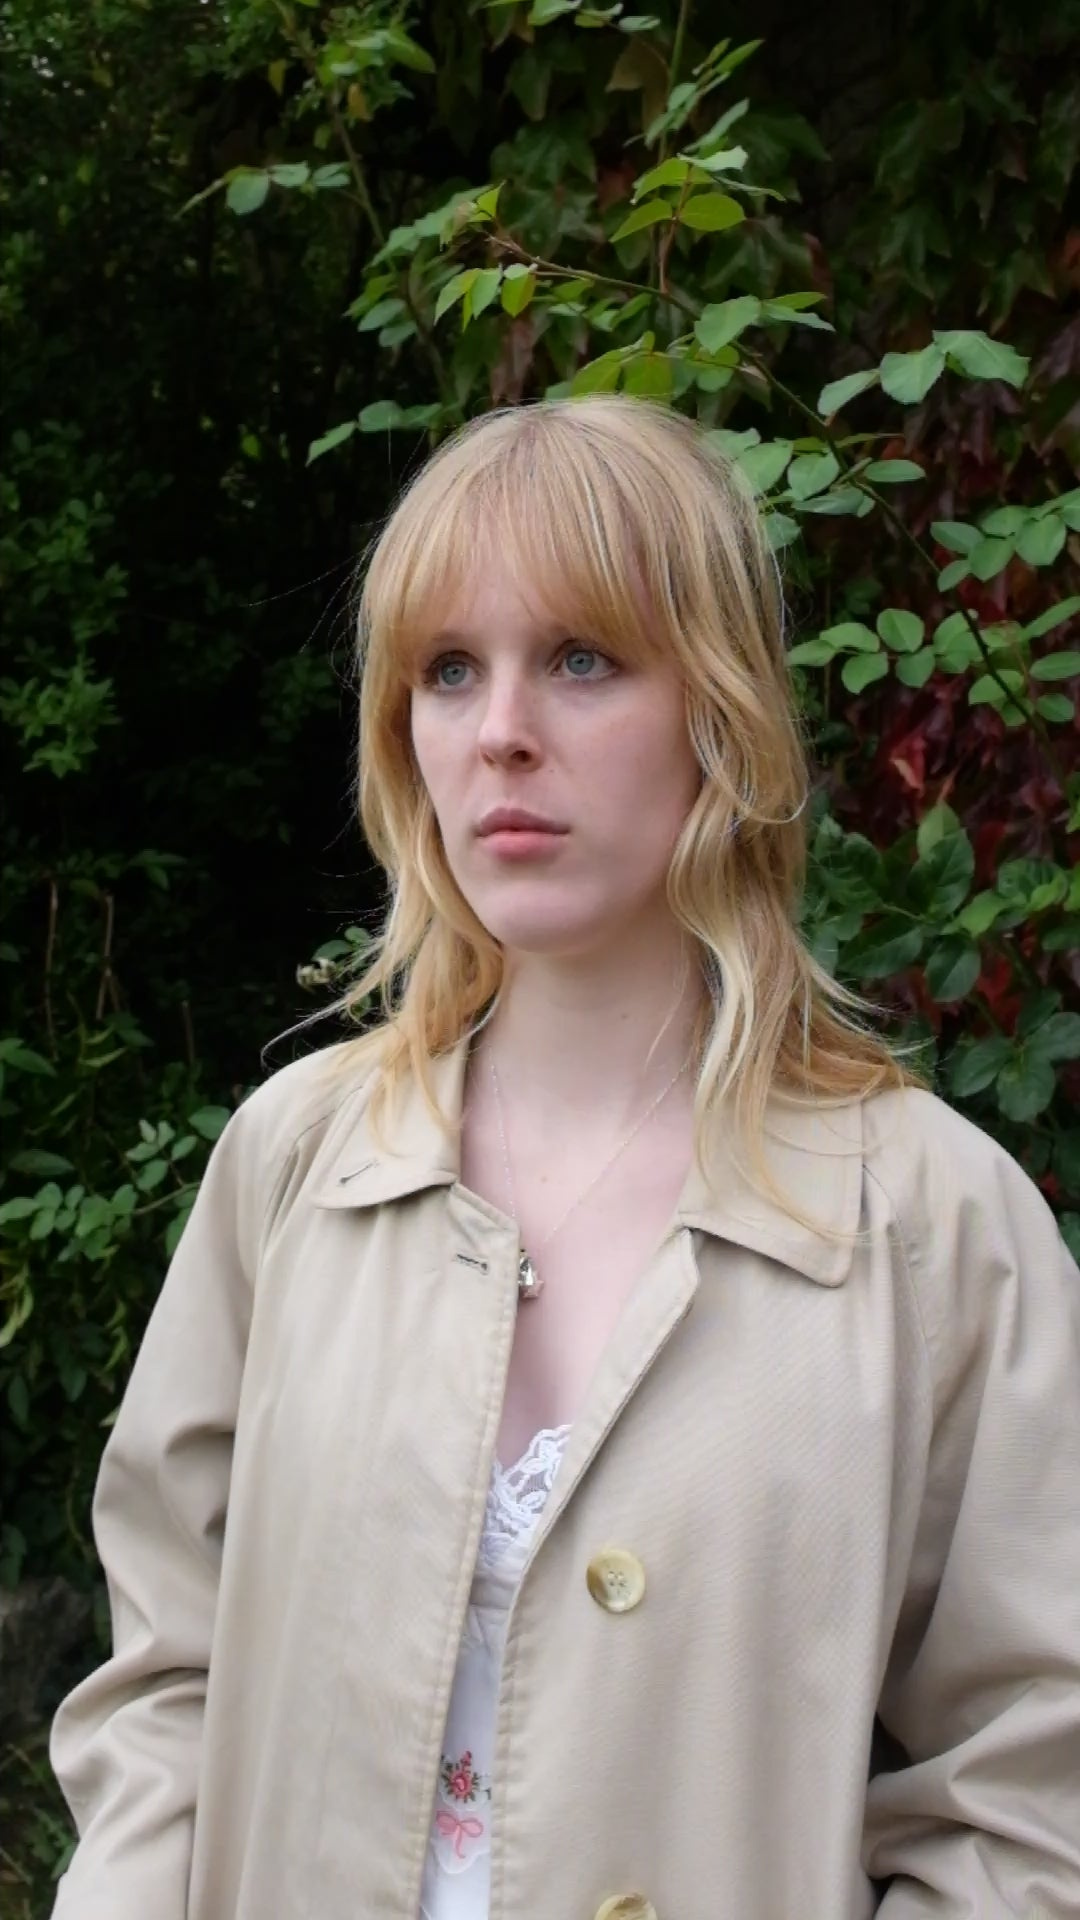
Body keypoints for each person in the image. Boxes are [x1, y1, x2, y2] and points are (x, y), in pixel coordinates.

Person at [49, 395, 1080, 1920]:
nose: (500, 728)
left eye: (581, 659)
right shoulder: (294, 1169)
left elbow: (1032, 1788)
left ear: (717, 708)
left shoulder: (930, 1225)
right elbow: (163, 1685)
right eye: (448, 671)